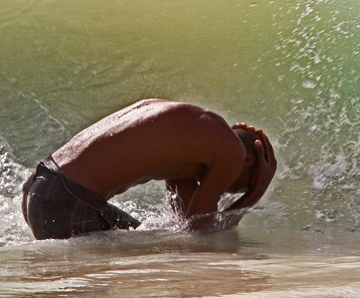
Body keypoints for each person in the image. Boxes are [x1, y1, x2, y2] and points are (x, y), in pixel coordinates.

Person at [21, 99, 276, 240]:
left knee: (150, 247)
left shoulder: (190, 134)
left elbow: (186, 224)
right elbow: (202, 236)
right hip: (68, 200)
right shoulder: (234, 151)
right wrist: (255, 194)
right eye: (241, 184)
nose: (225, 189)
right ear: (249, 163)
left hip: (41, 187)